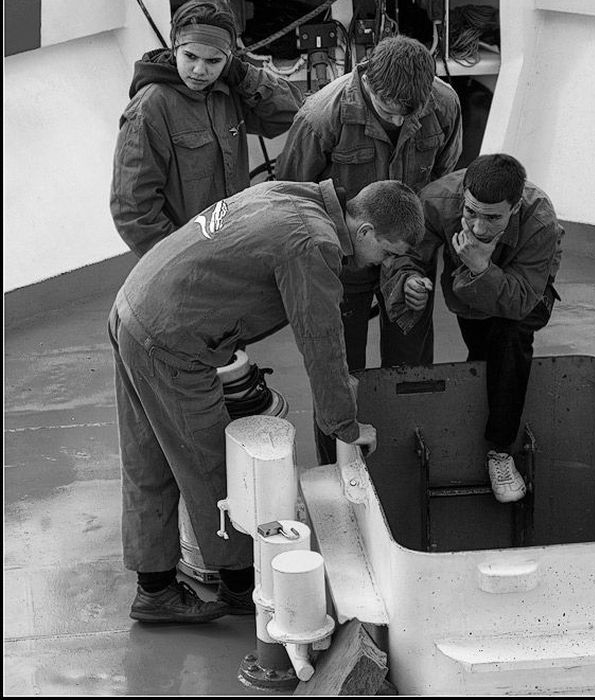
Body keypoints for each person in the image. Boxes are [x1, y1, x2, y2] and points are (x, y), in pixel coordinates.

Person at [108, 178, 424, 624]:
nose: (385, 263)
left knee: (149, 458)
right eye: (388, 253)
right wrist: (346, 425)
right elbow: (321, 341)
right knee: (215, 464)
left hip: (134, 307)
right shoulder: (313, 243)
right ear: (367, 231)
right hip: (171, 343)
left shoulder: (293, 194)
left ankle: (155, 588)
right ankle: (241, 585)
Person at [276, 34, 462, 376]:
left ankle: (408, 426)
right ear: (367, 82)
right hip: (344, 259)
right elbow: (291, 198)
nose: (396, 122)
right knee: (342, 370)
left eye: (408, 114)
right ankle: (344, 430)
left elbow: (442, 177)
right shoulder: (320, 117)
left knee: (412, 364)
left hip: (409, 250)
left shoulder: (444, 103)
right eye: (387, 110)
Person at [383, 154, 564, 503]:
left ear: (515, 207)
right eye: (471, 213)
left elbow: (522, 300)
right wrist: (409, 280)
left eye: (493, 217)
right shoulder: (436, 202)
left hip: (525, 291)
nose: (479, 228)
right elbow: (405, 252)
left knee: (511, 337)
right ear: (462, 195)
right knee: (484, 349)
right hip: (467, 295)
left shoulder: (540, 220)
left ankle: (499, 450)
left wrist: (481, 266)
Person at [111, 0, 303, 257]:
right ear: (174, 46)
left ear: (228, 59)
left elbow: (291, 112)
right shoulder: (150, 109)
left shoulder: (229, 90)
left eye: (213, 61)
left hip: (236, 245)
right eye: (190, 56)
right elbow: (132, 209)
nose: (200, 70)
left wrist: (245, 75)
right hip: (189, 262)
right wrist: (180, 259)